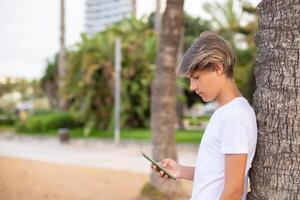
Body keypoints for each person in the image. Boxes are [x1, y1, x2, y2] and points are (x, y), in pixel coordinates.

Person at [151, 31, 257, 200]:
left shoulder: (234, 116)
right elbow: (216, 175)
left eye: (196, 77)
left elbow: (233, 191)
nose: (192, 86)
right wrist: (179, 170)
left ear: (218, 68)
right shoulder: (225, 113)